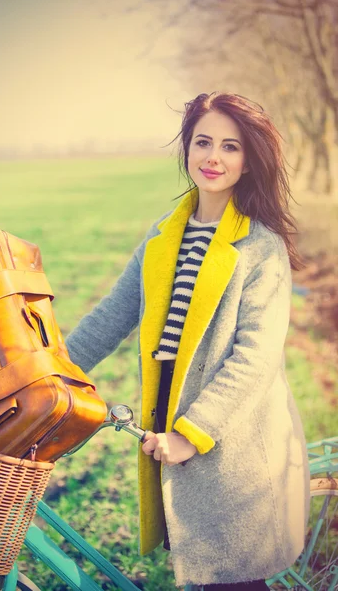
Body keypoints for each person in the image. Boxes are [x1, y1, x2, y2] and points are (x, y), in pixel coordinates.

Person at [65, 92, 310, 591]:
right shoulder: (162, 237)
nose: (213, 158)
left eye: (230, 146)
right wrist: (45, 372)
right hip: (166, 422)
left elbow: (255, 359)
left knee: (234, 580)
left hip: (231, 443)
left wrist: (192, 433)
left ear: (249, 160)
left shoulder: (261, 248)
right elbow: (110, 317)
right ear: (186, 150)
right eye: (203, 143)